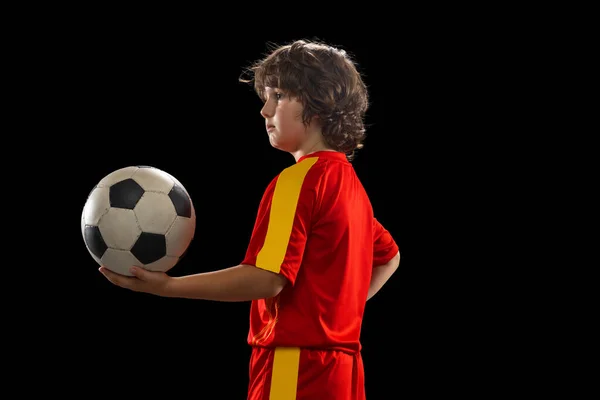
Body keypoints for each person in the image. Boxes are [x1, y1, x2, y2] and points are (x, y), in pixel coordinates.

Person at [99, 39, 400, 400]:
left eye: (279, 96)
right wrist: (337, 315)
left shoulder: (298, 181)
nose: (265, 110)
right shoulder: (351, 187)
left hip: (295, 368)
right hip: (344, 371)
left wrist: (168, 287)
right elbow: (389, 256)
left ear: (320, 103)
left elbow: (267, 278)